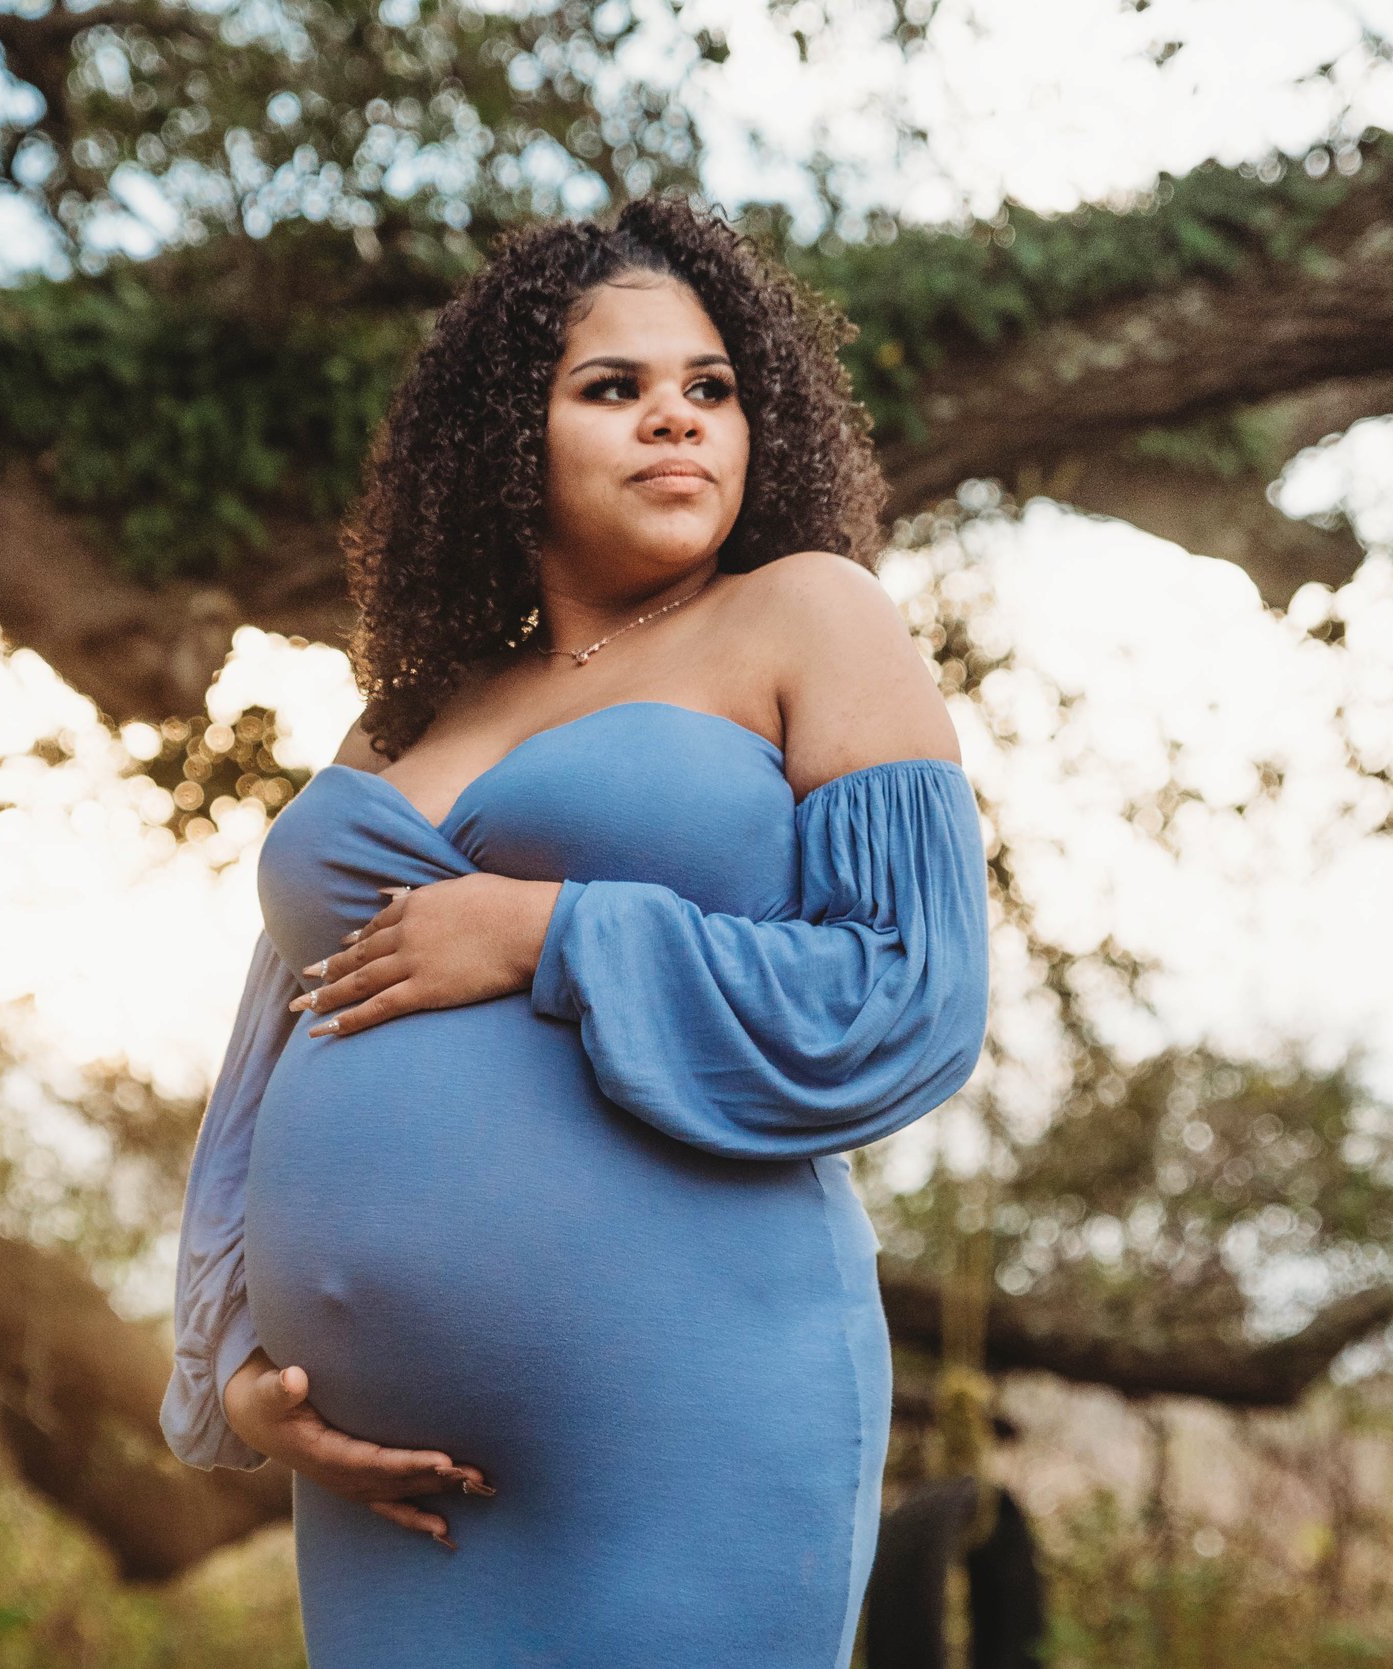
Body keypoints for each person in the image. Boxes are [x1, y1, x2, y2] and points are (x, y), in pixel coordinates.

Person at [160, 193, 991, 1668]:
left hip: (695, 1417)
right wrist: (233, 1366)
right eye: (615, 388)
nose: (677, 421)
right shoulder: (409, 710)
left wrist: (552, 932)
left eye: (711, 388)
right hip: (382, 1491)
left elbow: (910, 991)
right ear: (507, 442)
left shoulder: (810, 615)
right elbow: (265, 1058)